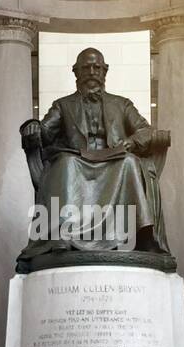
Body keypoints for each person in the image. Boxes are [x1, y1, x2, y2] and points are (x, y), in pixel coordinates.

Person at [17, 46, 174, 272]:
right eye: (86, 67)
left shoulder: (122, 104)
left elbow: (145, 131)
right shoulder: (63, 105)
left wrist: (128, 144)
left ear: (104, 71)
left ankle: (142, 234)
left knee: (129, 163)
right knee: (65, 164)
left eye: (97, 67)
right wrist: (31, 127)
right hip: (77, 160)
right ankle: (63, 234)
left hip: (115, 160)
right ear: (76, 72)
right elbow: (45, 131)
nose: (92, 71)